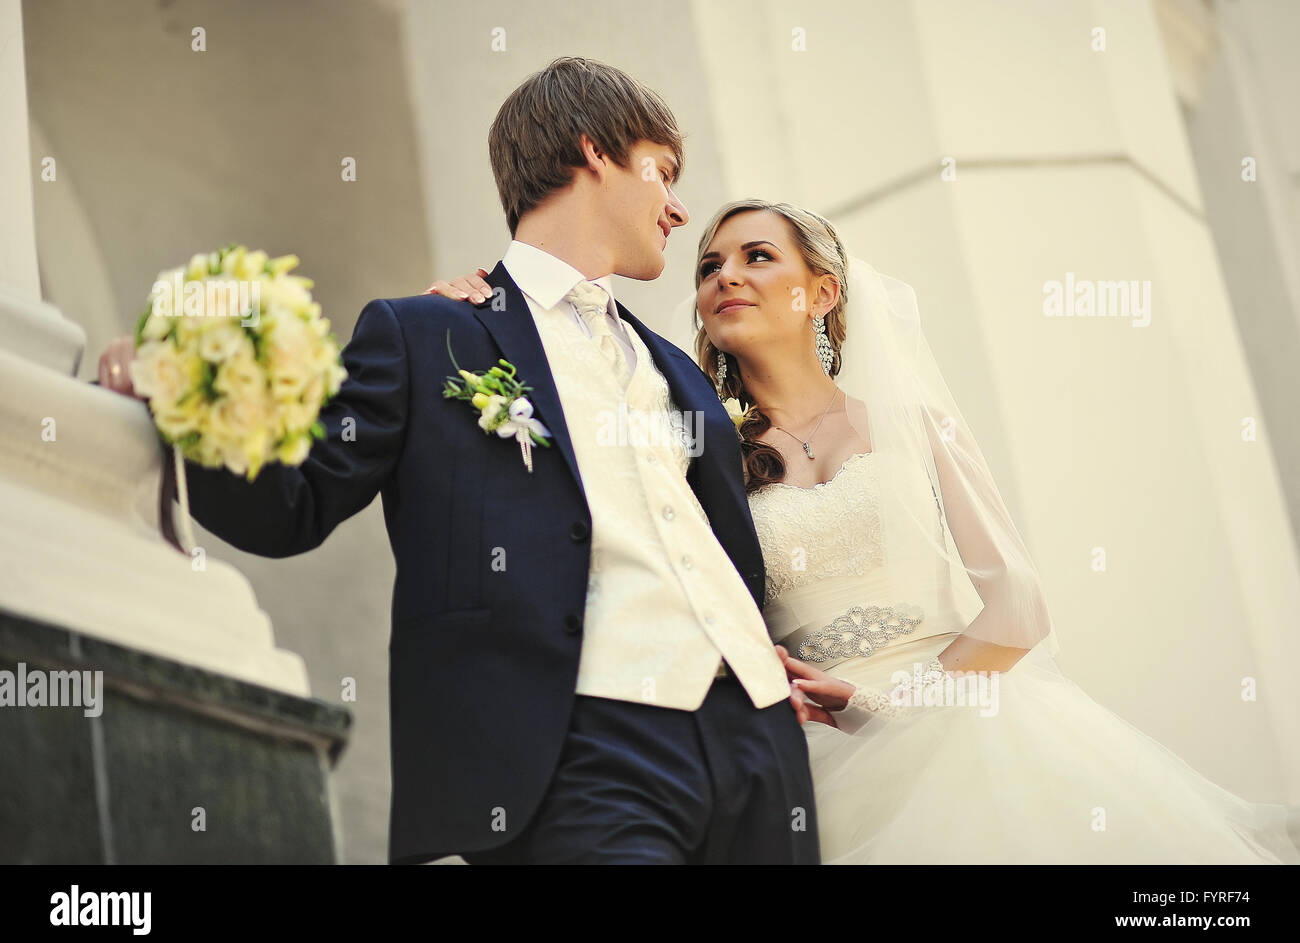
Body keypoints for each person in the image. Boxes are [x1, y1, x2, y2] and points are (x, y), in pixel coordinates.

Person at [97, 58, 821, 865]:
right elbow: (293, 502)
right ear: (594, 153)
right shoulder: (426, 334)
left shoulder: (681, 371)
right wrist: (179, 394)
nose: (680, 208)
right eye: (664, 173)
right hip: (581, 749)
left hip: (760, 749)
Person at [428, 197, 1300, 864]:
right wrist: (473, 322)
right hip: (813, 758)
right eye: (709, 264)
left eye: (757, 256)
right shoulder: (696, 454)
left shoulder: (917, 424)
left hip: (970, 724)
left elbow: (1019, 608)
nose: (725, 274)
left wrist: (895, 706)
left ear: (823, 291)